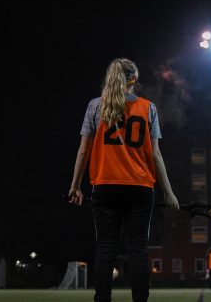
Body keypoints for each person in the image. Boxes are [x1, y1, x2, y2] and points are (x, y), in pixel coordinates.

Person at [68, 58, 179, 302]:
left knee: (106, 248)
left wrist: (75, 185)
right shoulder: (148, 108)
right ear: (134, 80)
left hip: (105, 185)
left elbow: (83, 151)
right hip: (139, 187)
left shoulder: (95, 106)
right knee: (137, 248)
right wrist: (168, 192)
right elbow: (155, 154)